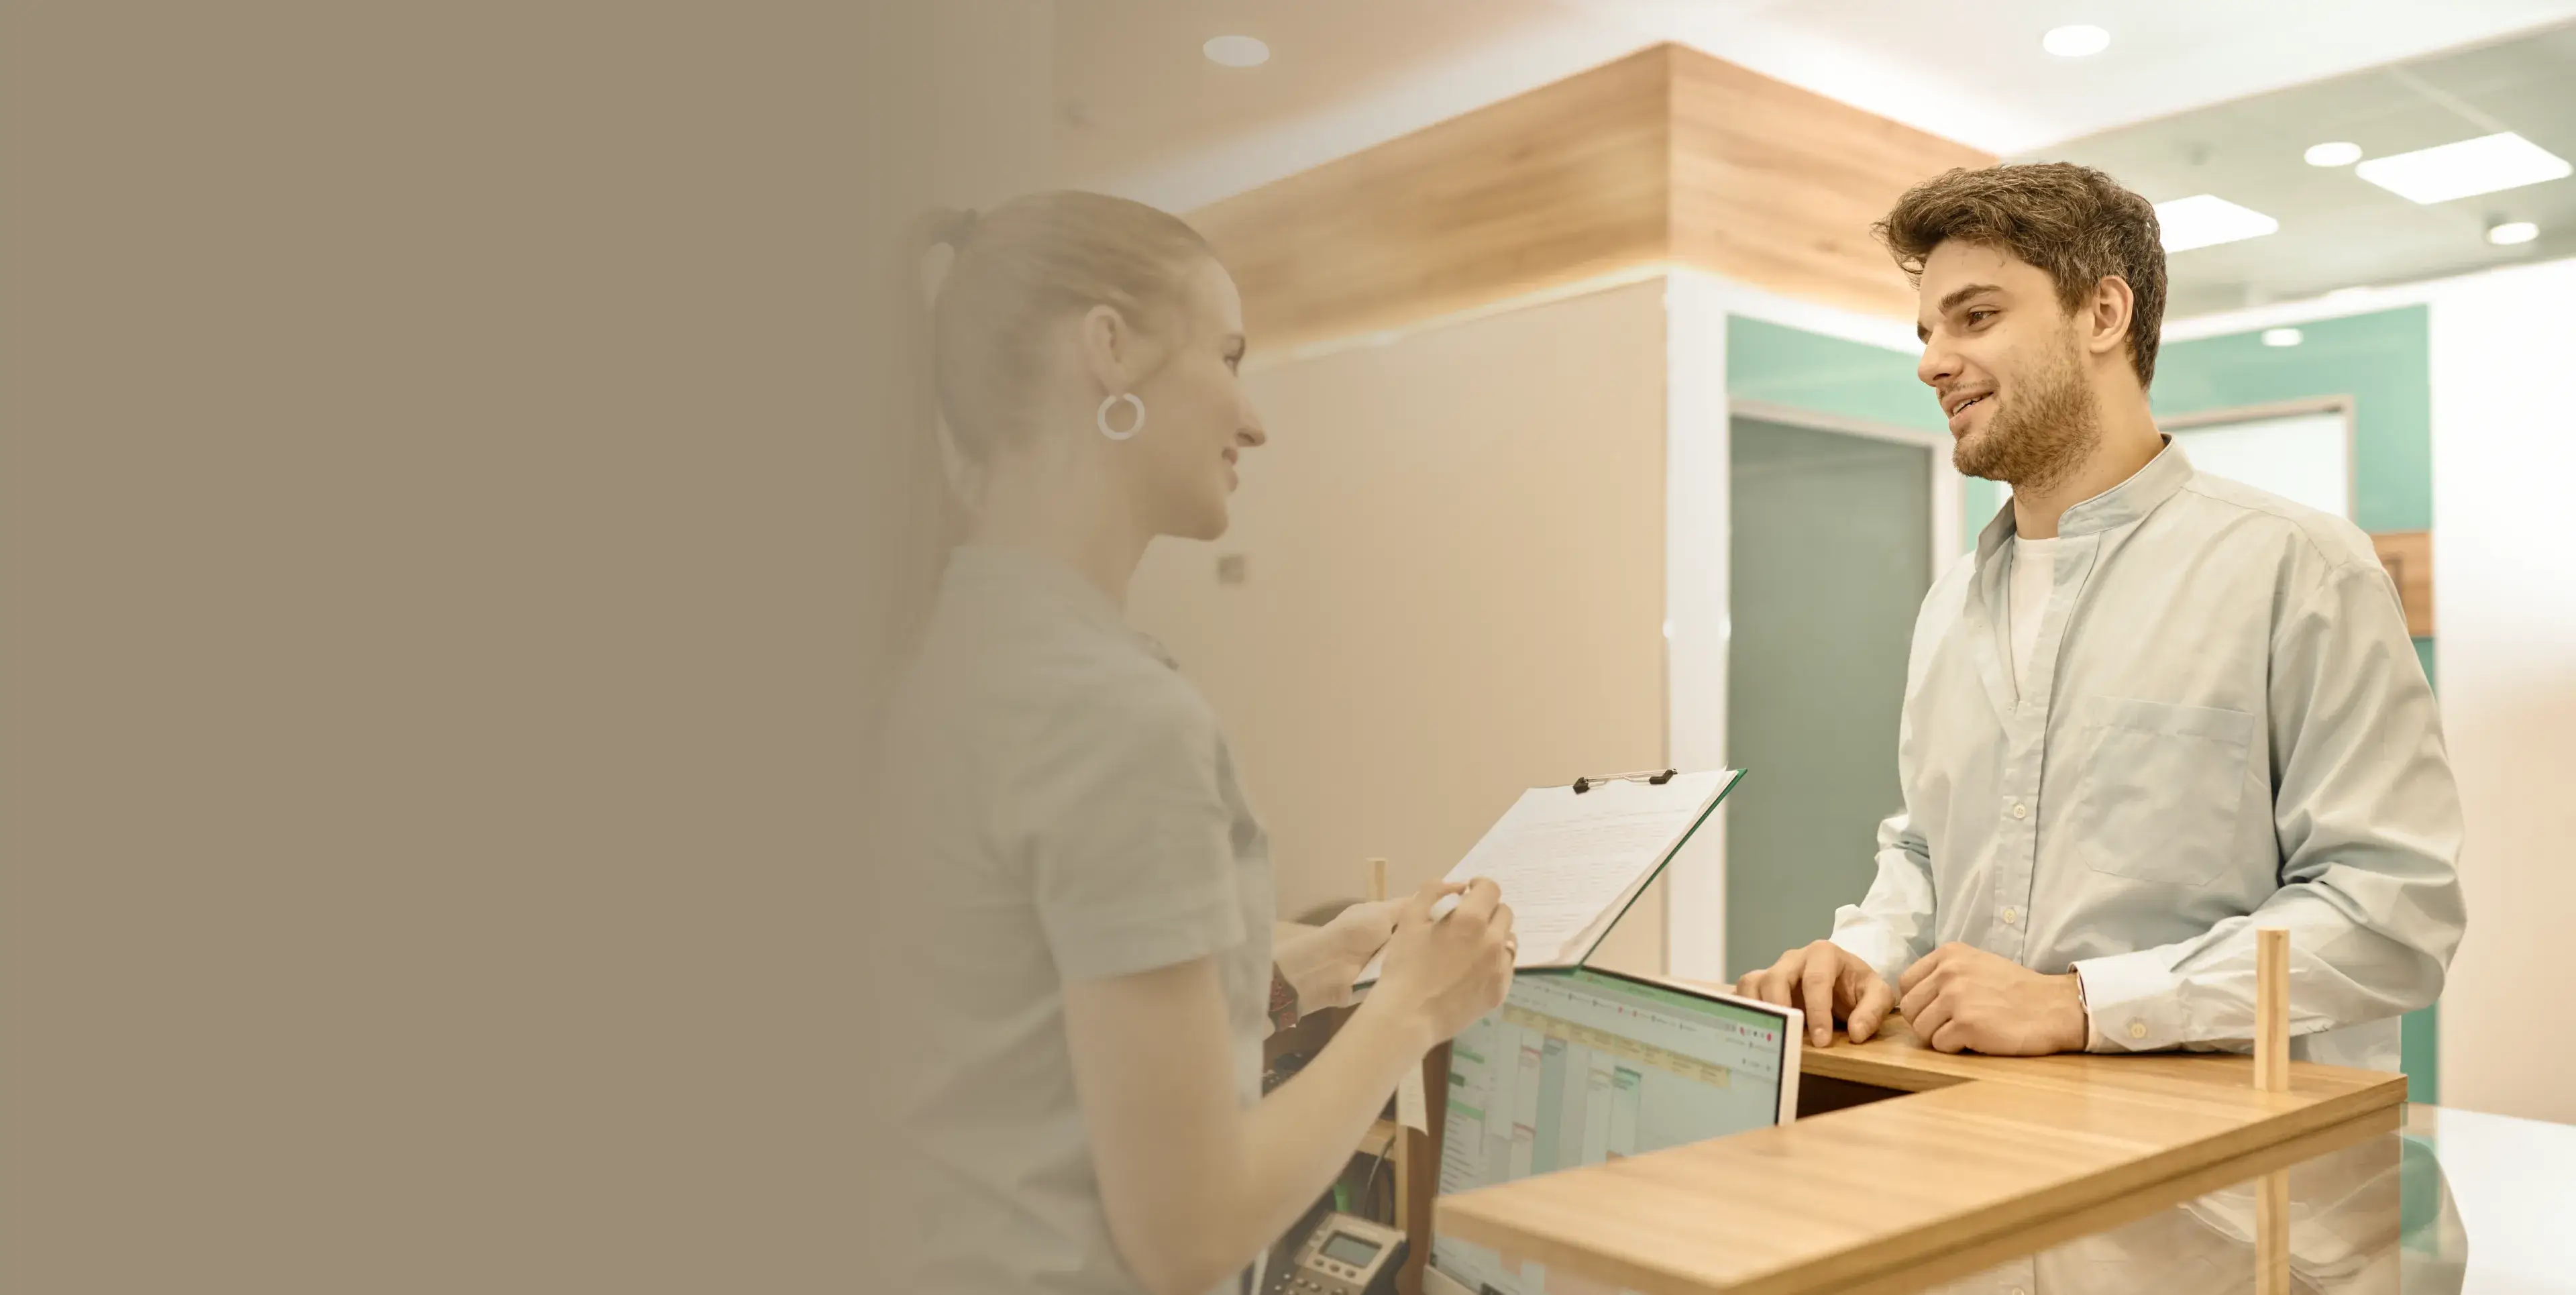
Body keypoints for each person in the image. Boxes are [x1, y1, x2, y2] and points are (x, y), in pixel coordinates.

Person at [871, 191, 1517, 1295]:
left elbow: (1019, 1027)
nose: (1254, 418)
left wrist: (1306, 967)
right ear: (1110, 351)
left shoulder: (948, 651)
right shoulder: (1108, 714)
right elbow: (1188, 1228)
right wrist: (1417, 1003)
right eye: (1228, 354)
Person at [1735, 163, 2464, 1068]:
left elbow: (2390, 915)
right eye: (1928, 331)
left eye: (1977, 316)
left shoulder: (2302, 571)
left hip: (2229, 1187)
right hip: (1980, 1143)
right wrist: (1863, 954)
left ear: (2104, 315)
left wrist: (2085, 1004)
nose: (1931, 362)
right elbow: (1925, 850)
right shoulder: (1949, 605)